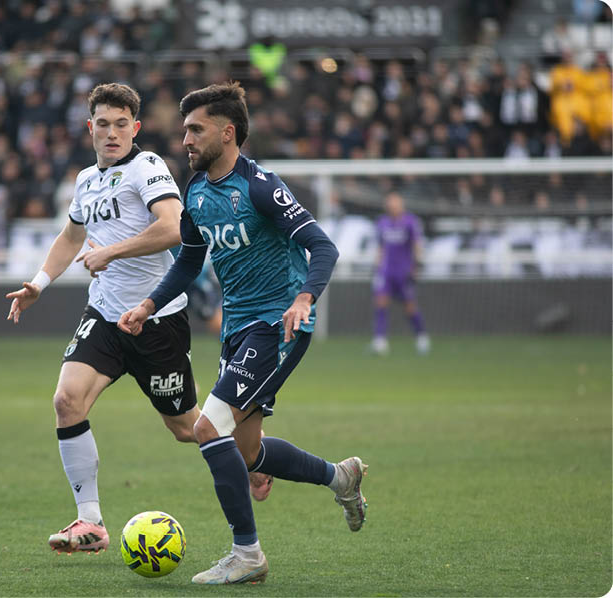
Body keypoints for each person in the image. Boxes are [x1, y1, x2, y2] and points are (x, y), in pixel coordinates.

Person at [4, 83, 270, 557]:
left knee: (187, 428)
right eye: (102, 124)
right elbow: (71, 236)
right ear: (90, 128)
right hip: (105, 314)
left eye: (121, 124)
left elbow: (172, 228)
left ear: (136, 128)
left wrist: (112, 251)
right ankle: (91, 524)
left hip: (155, 320)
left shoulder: (147, 168)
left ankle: (252, 455)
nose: (111, 133)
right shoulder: (86, 179)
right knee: (67, 401)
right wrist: (38, 285)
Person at [119, 82, 365, 585]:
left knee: (207, 429)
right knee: (248, 451)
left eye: (195, 129)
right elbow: (188, 261)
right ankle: (340, 476)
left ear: (227, 133)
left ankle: (247, 554)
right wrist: (148, 304)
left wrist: (304, 299)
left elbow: (324, 247)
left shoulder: (261, 186)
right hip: (237, 330)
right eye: (185, 129)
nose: (185, 139)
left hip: (278, 325)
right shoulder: (198, 191)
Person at [370, 191, 430, 355]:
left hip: (403, 271)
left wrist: (416, 265)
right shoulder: (382, 223)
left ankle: (421, 337)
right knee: (381, 302)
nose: (392, 206)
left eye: (395, 202)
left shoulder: (410, 222)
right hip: (386, 271)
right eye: (390, 202)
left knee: (409, 306)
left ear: (401, 204)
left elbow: (416, 245)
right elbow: (380, 247)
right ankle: (380, 340)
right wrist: (377, 266)